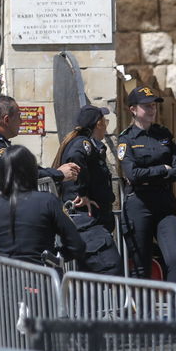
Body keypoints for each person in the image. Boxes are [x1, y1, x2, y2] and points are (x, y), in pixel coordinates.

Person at [116, 85, 176, 286]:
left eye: (153, 106)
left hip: (164, 204)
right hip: (139, 204)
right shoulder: (126, 138)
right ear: (133, 109)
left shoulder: (164, 135)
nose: (151, 109)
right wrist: (163, 170)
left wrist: (153, 174)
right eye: (146, 106)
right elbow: (132, 174)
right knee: (141, 266)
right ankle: (145, 316)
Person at [0, 95, 78, 204]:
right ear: (7, 119)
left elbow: (26, 167)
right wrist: (59, 174)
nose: (22, 121)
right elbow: (22, 173)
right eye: (19, 116)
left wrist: (57, 172)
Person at [54, 104, 121, 274]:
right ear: (98, 124)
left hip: (93, 220)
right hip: (85, 221)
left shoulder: (89, 144)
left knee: (89, 277)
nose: (106, 125)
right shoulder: (83, 143)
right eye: (104, 121)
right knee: (112, 267)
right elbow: (76, 159)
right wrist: (80, 193)